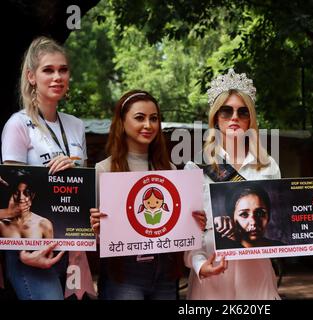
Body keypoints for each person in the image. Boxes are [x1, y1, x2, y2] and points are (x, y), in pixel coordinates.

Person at [184, 68, 313, 300]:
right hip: (212, 275)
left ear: (250, 119)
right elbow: (188, 233)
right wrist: (200, 265)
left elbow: (285, 219)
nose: (234, 118)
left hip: (256, 274)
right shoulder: (195, 168)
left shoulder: (268, 166)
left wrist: (311, 214)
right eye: (226, 111)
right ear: (215, 118)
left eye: (242, 112)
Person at [89, 90, 205, 300]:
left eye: (154, 118)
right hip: (123, 274)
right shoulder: (103, 170)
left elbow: (177, 225)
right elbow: (94, 235)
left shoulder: (170, 169)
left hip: (165, 272)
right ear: (122, 122)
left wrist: (194, 222)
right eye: (139, 118)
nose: (148, 125)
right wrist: (96, 228)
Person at [1, 36, 87, 300]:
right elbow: (9, 191)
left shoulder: (76, 125)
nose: (57, 77)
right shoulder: (18, 124)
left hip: (69, 247)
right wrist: (23, 252)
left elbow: (85, 190)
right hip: (29, 250)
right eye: (48, 70)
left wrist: (73, 167)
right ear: (31, 76)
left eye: (63, 70)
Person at [213, 185, 285, 249]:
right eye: (244, 214)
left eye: (260, 213)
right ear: (231, 218)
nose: (253, 222)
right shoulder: (222, 248)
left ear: (268, 215)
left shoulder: (282, 249)